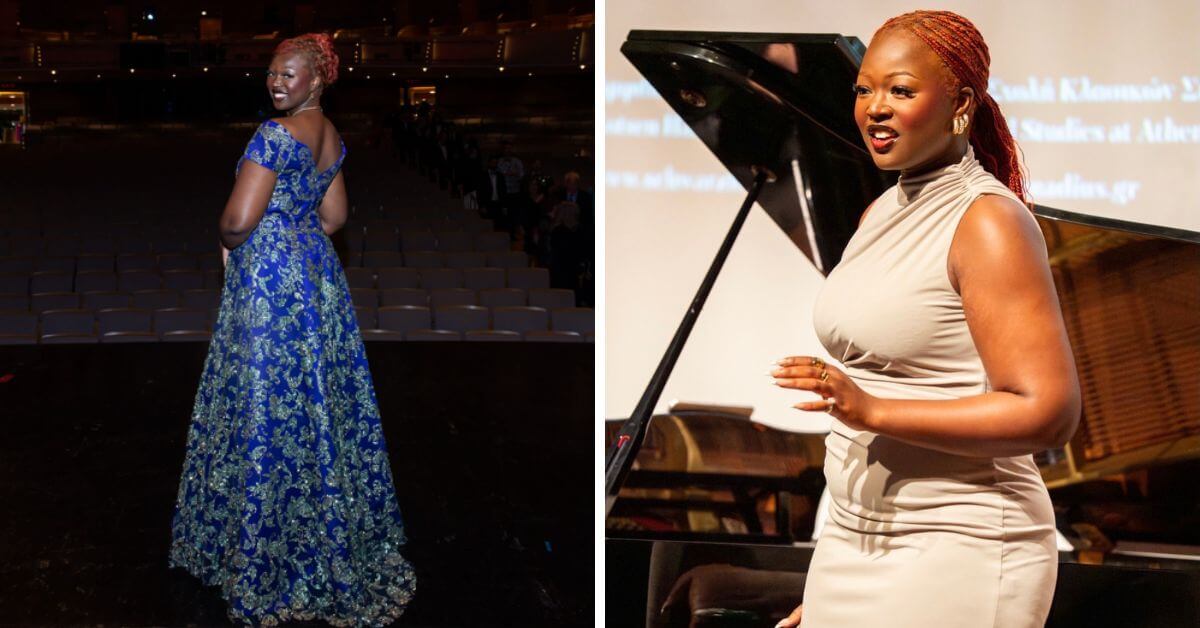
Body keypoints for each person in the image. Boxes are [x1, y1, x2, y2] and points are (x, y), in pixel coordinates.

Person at [773, 11, 1079, 628]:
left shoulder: (988, 221)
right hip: (854, 540)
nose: (874, 108)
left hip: (958, 545)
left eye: (901, 90)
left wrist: (872, 411)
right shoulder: (878, 212)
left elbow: (1049, 411)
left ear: (961, 103)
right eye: (864, 90)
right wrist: (832, 589)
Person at [168, 32, 417, 626]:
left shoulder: (274, 135)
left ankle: (265, 555)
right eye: (272, 73)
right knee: (315, 401)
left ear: (316, 79)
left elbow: (236, 219)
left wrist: (236, 243)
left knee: (263, 401)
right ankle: (325, 531)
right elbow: (334, 218)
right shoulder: (330, 136)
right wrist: (296, 234)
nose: (276, 82)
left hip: (270, 282)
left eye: (288, 74)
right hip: (315, 276)